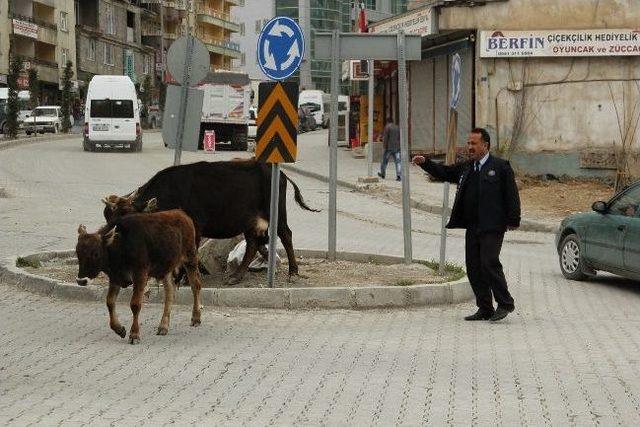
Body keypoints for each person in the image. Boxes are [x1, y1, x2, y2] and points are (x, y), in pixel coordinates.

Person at [412, 128, 521, 322]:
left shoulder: (501, 166)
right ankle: (485, 307)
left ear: (485, 145)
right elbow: (445, 172)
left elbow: (512, 195)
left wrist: (513, 219)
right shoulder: (467, 167)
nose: (469, 147)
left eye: (474, 143)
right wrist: (426, 163)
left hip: (493, 226)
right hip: (473, 226)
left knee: (489, 263)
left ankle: (505, 303)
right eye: (468, 143)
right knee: (473, 267)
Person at [378, 116, 401, 181]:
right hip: (397, 148)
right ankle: (399, 175)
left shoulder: (387, 127)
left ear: (387, 121)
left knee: (384, 161)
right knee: (398, 162)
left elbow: (385, 138)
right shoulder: (397, 127)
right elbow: (399, 137)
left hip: (389, 148)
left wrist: (384, 147)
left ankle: (383, 174)